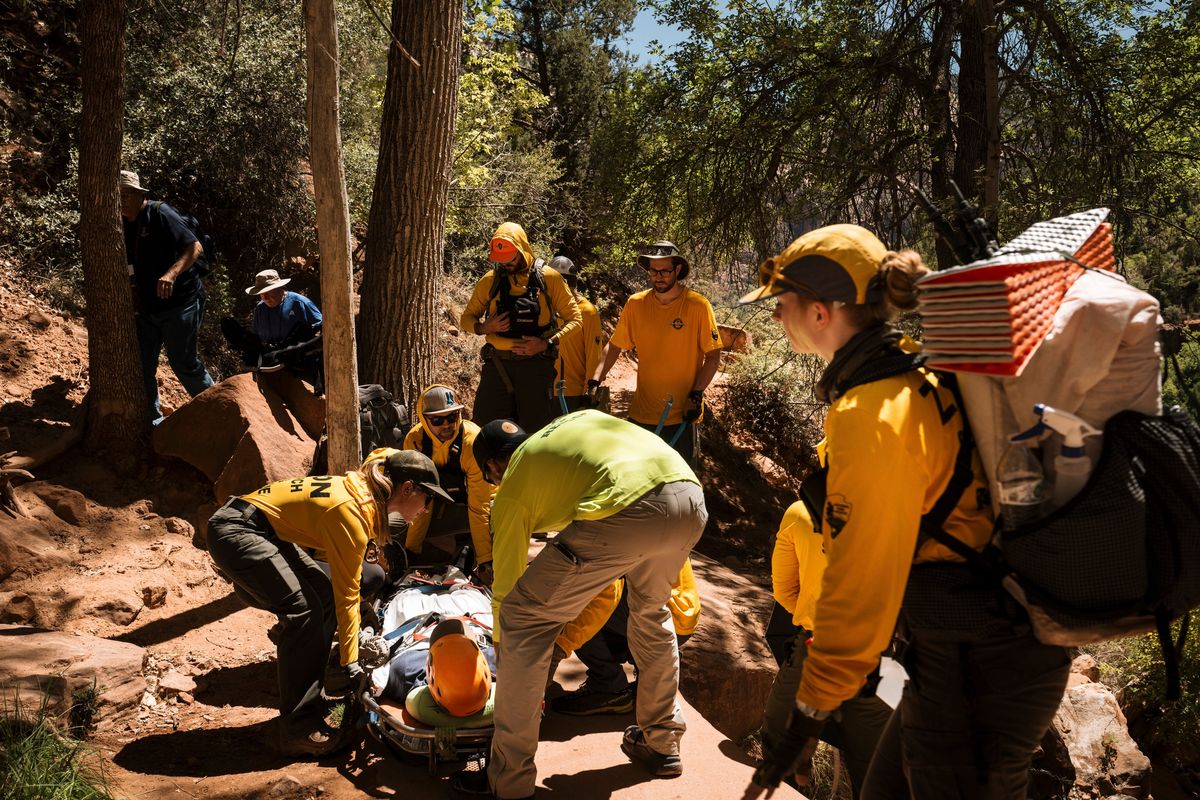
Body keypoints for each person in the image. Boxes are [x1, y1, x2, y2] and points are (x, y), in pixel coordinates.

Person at [737, 225, 1070, 800]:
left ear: (820, 312)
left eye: (781, 302)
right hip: (971, 650)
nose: (774, 316)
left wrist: (805, 717)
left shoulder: (869, 413)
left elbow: (860, 580)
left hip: (978, 666)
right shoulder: (917, 370)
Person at [455, 412, 707, 799]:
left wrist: (508, 645)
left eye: (492, 478)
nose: (495, 484)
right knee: (651, 613)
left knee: (521, 617)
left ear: (493, 465)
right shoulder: (566, 437)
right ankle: (662, 743)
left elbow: (506, 586)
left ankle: (508, 780)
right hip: (688, 495)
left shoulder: (514, 486)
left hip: (629, 509)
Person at [205, 448, 453, 756]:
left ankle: (308, 690)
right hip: (238, 530)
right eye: (427, 498)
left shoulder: (368, 492)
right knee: (305, 611)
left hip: (267, 531)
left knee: (320, 596)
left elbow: (383, 454)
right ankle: (298, 730)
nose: (426, 508)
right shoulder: (353, 510)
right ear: (406, 489)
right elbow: (346, 594)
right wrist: (350, 661)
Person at [760, 499, 893, 798]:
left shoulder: (801, 512)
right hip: (873, 654)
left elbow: (783, 589)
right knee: (874, 757)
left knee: (781, 736)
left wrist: (813, 618)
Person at [592, 240, 722, 462]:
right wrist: (596, 379)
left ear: (677, 270)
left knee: (678, 487)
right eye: (653, 271)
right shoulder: (636, 304)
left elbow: (713, 356)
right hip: (641, 414)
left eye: (664, 271)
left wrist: (697, 393)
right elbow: (615, 345)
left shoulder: (697, 306)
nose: (658, 276)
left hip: (681, 416)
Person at [460, 223, 581, 433]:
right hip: (497, 366)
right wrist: (483, 327)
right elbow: (466, 319)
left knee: (535, 433)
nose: (506, 264)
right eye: (502, 261)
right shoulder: (490, 281)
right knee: (486, 431)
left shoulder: (549, 278)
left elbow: (575, 320)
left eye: (511, 259)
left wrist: (545, 344)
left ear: (523, 250)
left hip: (535, 367)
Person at [120, 170, 214, 423]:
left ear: (140, 195)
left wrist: (171, 275)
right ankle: (154, 421)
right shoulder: (119, 224)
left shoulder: (160, 213)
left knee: (183, 362)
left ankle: (219, 412)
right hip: (147, 310)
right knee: (142, 366)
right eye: (118, 195)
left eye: (128, 194)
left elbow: (195, 247)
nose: (123, 200)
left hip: (180, 303)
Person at [550, 559, 700, 716]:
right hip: (681, 614)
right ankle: (645, 675)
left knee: (575, 599)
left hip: (663, 620)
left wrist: (561, 646)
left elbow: (607, 595)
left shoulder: (616, 536)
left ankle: (609, 688)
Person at [401, 384, 497, 581]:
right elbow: (419, 499)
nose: (447, 425)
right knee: (396, 525)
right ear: (424, 419)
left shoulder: (472, 441)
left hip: (483, 504)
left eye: (452, 417)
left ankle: (475, 549)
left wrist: (486, 560)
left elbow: (480, 506)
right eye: (437, 419)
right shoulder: (415, 441)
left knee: (501, 518)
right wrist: (411, 552)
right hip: (441, 504)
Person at [221, 269, 324, 392]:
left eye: (269, 293)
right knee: (230, 326)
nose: (266, 298)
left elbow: (321, 327)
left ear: (280, 289)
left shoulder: (299, 302)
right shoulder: (260, 309)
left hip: (296, 353)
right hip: (271, 352)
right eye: (262, 294)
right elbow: (258, 335)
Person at [548, 256, 604, 412]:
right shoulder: (545, 308)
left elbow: (594, 353)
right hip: (544, 389)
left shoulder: (587, 312)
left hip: (572, 392)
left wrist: (590, 388)